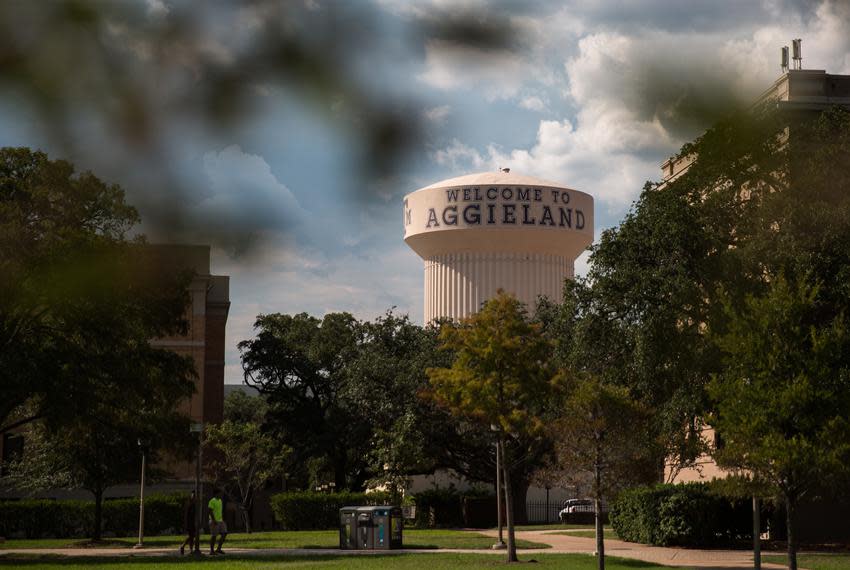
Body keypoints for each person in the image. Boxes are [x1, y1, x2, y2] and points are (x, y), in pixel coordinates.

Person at [208, 487, 227, 555]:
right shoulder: (212, 501)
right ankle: (211, 551)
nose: (221, 494)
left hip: (220, 520)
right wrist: (214, 520)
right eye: (220, 493)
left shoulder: (220, 501)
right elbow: (210, 511)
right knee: (214, 536)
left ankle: (218, 549)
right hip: (214, 521)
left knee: (224, 533)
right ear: (216, 494)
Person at [179, 490, 196, 556]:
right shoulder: (189, 504)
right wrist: (185, 524)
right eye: (193, 496)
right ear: (191, 496)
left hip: (193, 523)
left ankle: (190, 550)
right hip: (189, 523)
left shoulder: (194, 504)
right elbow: (186, 515)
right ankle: (183, 546)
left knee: (192, 537)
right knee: (191, 536)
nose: (194, 497)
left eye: (195, 496)